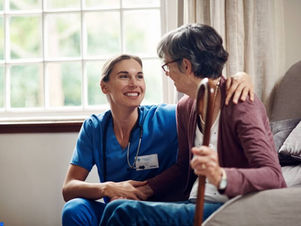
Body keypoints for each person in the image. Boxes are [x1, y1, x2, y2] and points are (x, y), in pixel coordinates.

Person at [99, 24, 286, 226]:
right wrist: (142, 191)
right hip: (194, 202)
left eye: (167, 65)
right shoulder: (186, 107)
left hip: (228, 208)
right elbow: (182, 168)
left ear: (186, 66)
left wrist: (221, 176)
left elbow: (273, 176)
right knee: (115, 207)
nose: (167, 73)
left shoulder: (241, 104)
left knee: (124, 213)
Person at [61, 54, 253, 226]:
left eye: (139, 76)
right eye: (124, 76)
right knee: (74, 209)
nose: (134, 83)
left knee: (122, 211)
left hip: (160, 209)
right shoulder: (94, 128)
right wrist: (108, 188)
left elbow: (205, 97)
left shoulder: (168, 116)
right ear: (104, 87)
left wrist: (240, 77)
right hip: (116, 209)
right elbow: (69, 188)